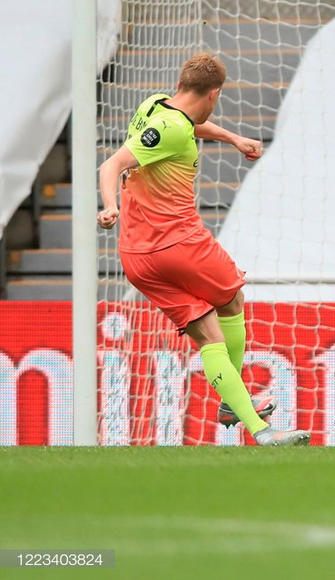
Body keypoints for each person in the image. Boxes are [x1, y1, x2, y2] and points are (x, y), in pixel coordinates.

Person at [97, 54, 310, 446]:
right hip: (180, 243)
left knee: (209, 338)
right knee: (232, 299)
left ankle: (256, 427)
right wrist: (109, 204)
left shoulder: (154, 106)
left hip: (137, 258)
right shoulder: (172, 130)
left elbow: (187, 125)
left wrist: (232, 138)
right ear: (214, 93)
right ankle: (234, 403)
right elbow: (111, 164)